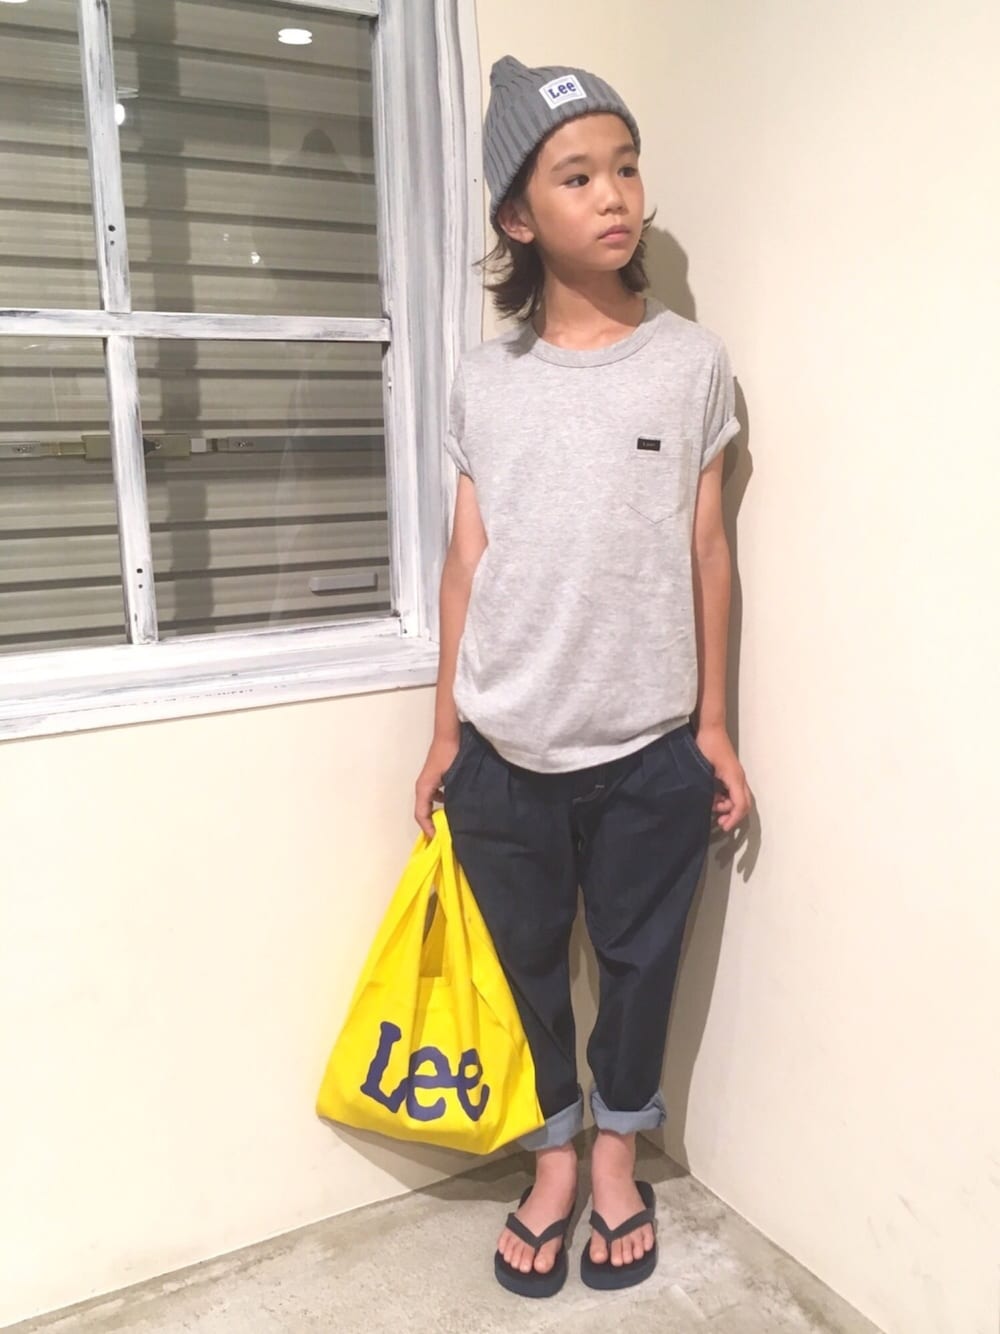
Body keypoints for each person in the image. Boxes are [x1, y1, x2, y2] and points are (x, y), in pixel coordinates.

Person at [414, 54, 753, 1298]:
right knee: (523, 967)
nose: (613, 195)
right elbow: (466, 559)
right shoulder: (483, 379)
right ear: (517, 214)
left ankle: (618, 1153)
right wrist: (443, 731)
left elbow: (706, 547)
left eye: (624, 166)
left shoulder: (689, 361)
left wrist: (714, 726)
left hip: (649, 744)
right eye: (575, 176)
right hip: (503, 745)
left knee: (640, 963)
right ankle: (550, 1156)